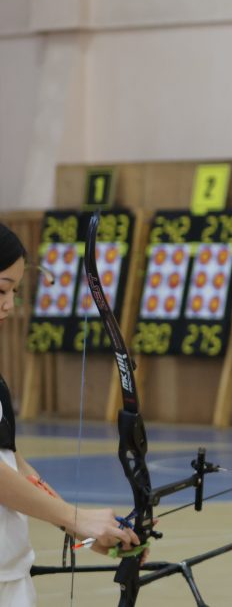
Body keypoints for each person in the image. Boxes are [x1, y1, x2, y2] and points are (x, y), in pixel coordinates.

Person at [0, 223, 140, 606]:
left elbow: (12, 463)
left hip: (10, 573)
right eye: (1, 290)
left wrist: (79, 525)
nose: (9, 305)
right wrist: (75, 518)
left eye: (14, 292)